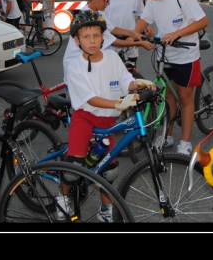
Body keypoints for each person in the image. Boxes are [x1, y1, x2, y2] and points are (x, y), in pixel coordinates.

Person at [57, 11, 152, 222]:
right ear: (76, 40)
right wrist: (119, 103)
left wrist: (139, 84)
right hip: (85, 117)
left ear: (103, 37)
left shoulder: (111, 57)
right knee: (74, 167)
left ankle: (105, 210)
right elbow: (90, 99)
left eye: (96, 36)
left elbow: (125, 80)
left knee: (108, 170)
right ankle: (62, 198)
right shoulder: (75, 66)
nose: (92, 41)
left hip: (108, 121)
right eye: (86, 37)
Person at [134, 0, 208, 155]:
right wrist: (134, 36)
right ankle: (167, 137)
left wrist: (177, 33)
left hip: (186, 55)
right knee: (168, 98)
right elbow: (144, 20)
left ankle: (185, 143)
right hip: (164, 54)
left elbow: (202, 21)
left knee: (185, 97)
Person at [63, 0, 153, 85]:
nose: (108, 3)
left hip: (89, 63)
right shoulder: (89, 18)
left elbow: (113, 29)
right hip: (78, 68)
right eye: (106, 0)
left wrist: (134, 33)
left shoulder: (97, 12)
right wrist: (139, 43)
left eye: (109, 0)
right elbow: (113, 41)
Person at [104, 0, 145, 65]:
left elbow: (141, 15)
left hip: (130, 42)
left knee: (132, 76)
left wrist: (146, 28)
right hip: (110, 43)